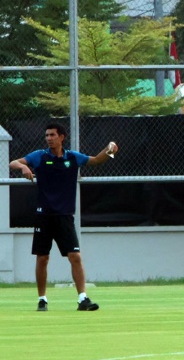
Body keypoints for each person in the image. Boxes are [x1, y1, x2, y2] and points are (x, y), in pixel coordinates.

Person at [9, 123, 118, 311]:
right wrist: (23, 167)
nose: (49, 138)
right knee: (42, 258)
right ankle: (42, 299)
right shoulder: (39, 156)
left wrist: (111, 149)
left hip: (65, 216)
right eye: (47, 135)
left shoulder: (72, 157)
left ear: (62, 137)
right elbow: (13, 162)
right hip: (44, 215)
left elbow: (96, 160)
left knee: (75, 256)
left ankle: (83, 299)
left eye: (52, 135)